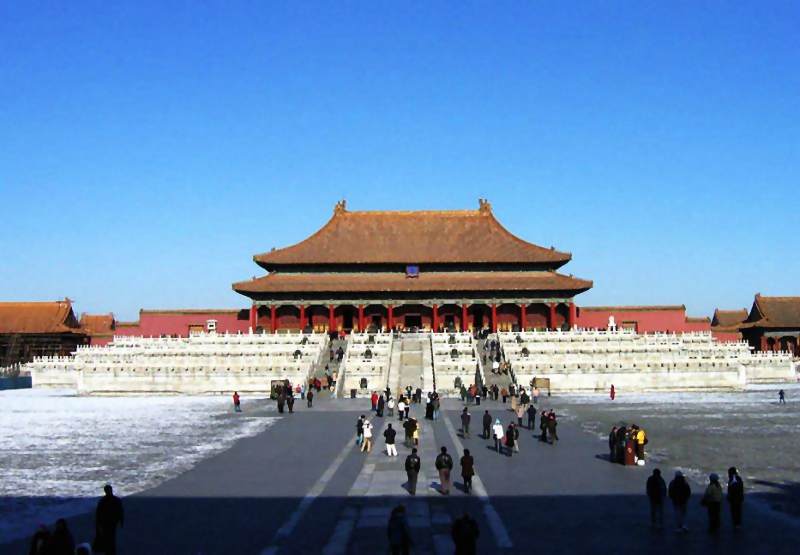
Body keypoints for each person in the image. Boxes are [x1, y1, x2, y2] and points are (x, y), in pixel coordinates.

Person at [94, 484, 124, 555]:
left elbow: (98, 514)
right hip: (110, 522)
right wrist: (121, 521)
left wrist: (98, 524)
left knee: (109, 538)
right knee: (110, 538)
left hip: (109, 522)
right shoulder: (115, 500)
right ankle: (111, 552)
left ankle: (109, 552)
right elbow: (120, 511)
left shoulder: (103, 501)